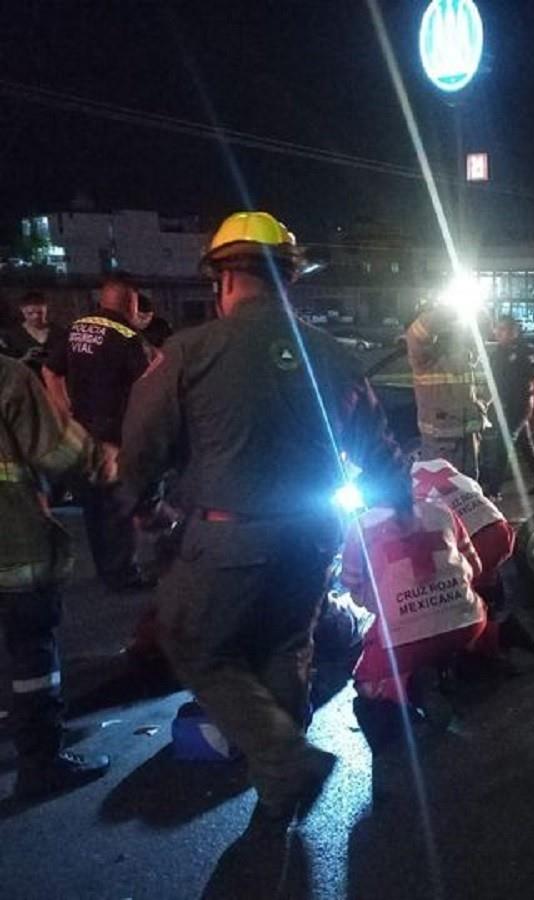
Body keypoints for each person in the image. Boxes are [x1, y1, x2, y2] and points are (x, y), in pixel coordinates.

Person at [118, 210, 405, 829]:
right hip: (311, 535)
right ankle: (278, 790)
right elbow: (378, 445)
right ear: (288, 279)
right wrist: (399, 504)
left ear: (221, 281)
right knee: (285, 644)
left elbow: (141, 443)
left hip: (227, 534)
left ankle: (285, 757)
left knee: (194, 643)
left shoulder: (189, 351)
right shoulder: (332, 354)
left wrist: (138, 503)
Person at [0, 355, 115, 799]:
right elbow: (59, 451)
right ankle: (39, 764)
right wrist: (108, 463)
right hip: (12, 550)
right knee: (32, 660)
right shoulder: (8, 377)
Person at [342, 473, 498, 732]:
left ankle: (414, 687)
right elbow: (476, 567)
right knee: (468, 615)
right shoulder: (441, 510)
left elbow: (355, 591)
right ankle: (469, 653)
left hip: (405, 641)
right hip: (468, 625)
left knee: (364, 681)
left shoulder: (360, 528)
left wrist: (386, 600)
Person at [43, 272, 152, 592]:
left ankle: (107, 570)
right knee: (119, 506)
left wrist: (64, 412)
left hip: (81, 432)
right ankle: (123, 576)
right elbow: (147, 387)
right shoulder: (128, 338)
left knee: (94, 506)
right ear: (130, 302)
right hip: (114, 436)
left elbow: (51, 371)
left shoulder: (76, 327)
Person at [406, 305, 486, 480]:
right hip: (441, 441)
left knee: (469, 493)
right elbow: (416, 334)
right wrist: (450, 309)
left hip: (469, 439)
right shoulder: (424, 359)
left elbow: (485, 388)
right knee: (442, 496)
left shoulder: (468, 357)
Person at [481, 315, 534, 498]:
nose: (499, 332)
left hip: (519, 406)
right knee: (525, 444)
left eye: (504, 329)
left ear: (514, 332)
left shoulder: (525, 353)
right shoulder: (496, 353)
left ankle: (494, 489)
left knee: (503, 445)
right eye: (498, 329)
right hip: (501, 406)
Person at [1, 292, 67, 377]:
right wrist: (26, 358)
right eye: (30, 313)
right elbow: (8, 367)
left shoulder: (59, 332)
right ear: (22, 310)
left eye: (40, 313)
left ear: (46, 309)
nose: (35, 317)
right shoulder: (12, 336)